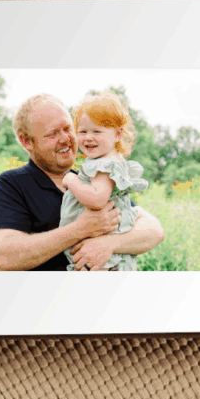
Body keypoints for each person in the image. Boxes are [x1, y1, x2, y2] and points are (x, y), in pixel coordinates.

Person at [0, 93, 164, 271]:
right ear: (27, 142)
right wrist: (79, 229)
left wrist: (110, 244)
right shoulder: (11, 185)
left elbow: (154, 230)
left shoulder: (91, 180)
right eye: (52, 134)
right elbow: (3, 257)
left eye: (68, 128)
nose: (65, 139)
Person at [59, 92, 149, 271]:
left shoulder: (104, 165)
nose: (88, 137)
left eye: (97, 131)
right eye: (83, 131)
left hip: (99, 241)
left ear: (117, 135)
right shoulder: (112, 160)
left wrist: (71, 180)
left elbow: (97, 199)